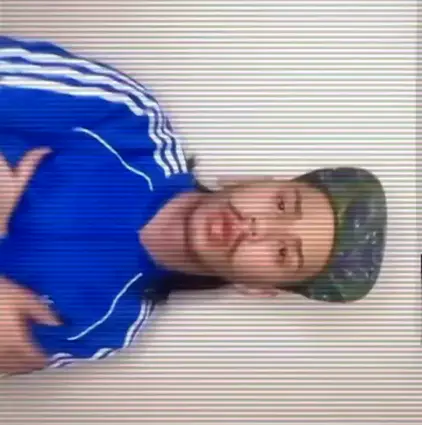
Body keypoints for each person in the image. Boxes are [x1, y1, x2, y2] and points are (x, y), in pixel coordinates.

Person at [0, 36, 387, 376]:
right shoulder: (125, 118)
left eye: (283, 252)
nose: (259, 226)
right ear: (252, 180)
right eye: (283, 204)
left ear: (260, 288)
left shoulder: (108, 327)